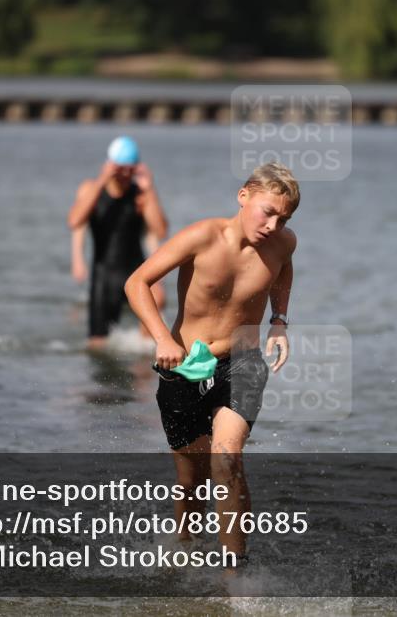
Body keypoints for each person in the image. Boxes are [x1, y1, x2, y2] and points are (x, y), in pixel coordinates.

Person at [124, 161, 299, 564]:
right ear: (244, 196)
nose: (273, 225)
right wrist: (163, 338)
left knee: (227, 459)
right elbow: (136, 283)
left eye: (283, 218)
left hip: (243, 362)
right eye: (268, 212)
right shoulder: (203, 236)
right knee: (191, 483)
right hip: (185, 365)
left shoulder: (284, 243)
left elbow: (285, 269)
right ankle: (183, 551)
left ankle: (235, 578)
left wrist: (279, 320)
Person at [68, 136, 168, 350]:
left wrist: (149, 189)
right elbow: (75, 221)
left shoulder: (141, 194)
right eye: (119, 169)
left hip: (135, 269)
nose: (124, 176)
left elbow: (160, 231)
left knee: (155, 308)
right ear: (110, 165)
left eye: (129, 170)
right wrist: (102, 180)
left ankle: (144, 374)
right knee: (97, 345)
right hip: (104, 273)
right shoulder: (90, 189)